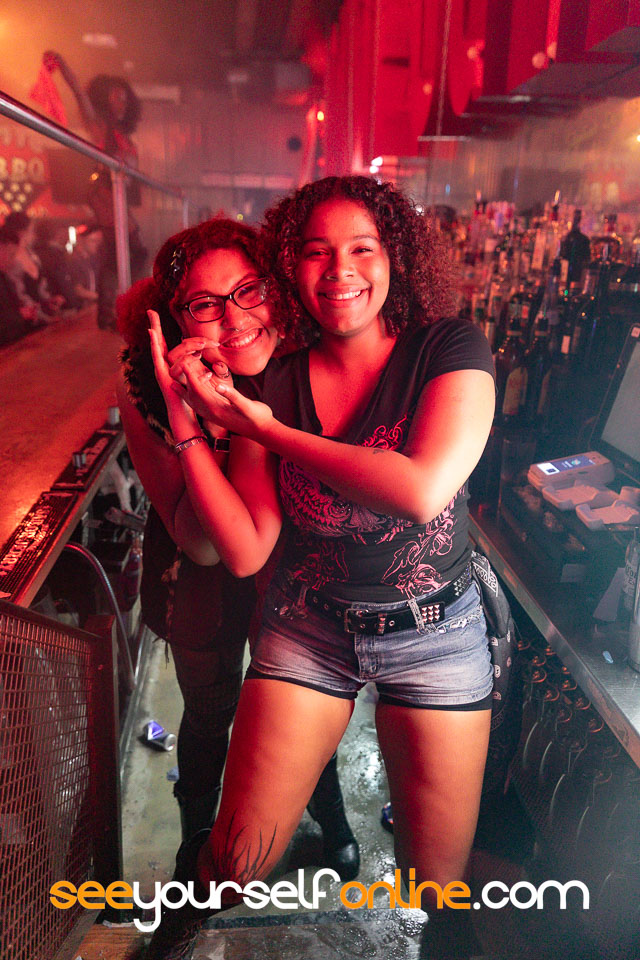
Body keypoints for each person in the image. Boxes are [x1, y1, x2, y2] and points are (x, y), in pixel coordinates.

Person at [145, 175, 496, 958]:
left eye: (362, 248)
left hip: (435, 635)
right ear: (290, 269)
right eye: (315, 252)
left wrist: (265, 431)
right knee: (233, 863)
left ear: (395, 257)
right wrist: (187, 420)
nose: (341, 271)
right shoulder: (275, 379)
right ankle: (172, 934)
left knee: (435, 889)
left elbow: (421, 489)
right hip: (311, 629)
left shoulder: (449, 349)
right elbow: (246, 547)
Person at [115, 218, 358, 879]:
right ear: (178, 318)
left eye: (250, 290)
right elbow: (200, 545)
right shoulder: (147, 381)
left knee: (302, 700)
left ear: (277, 289)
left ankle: (329, 814)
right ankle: (195, 844)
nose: (235, 318)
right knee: (210, 710)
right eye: (205, 304)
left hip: (297, 562)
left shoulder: (309, 352)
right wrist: (202, 418)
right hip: (201, 572)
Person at [42, 51, 147, 328]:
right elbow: (79, 93)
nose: (121, 102)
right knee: (131, 251)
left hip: (115, 195)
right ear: (104, 99)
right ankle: (119, 310)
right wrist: (64, 66)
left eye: (124, 97)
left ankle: (111, 312)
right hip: (104, 193)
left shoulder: (122, 134)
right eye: (115, 97)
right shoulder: (100, 124)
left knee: (120, 253)